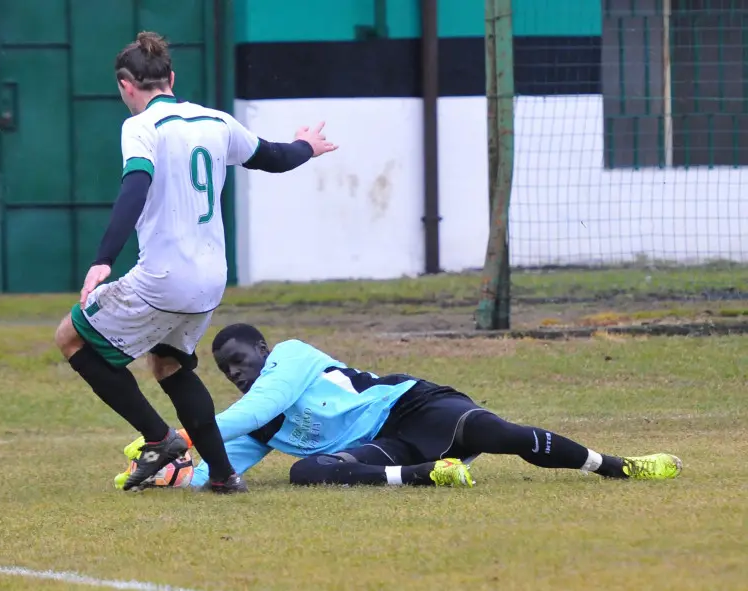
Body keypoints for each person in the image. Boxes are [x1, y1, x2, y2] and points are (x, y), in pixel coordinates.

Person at [53, 31, 337, 494]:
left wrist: (103, 259)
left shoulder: (141, 126)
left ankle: (160, 439)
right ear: (171, 77)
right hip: (209, 282)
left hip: (164, 279)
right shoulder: (216, 122)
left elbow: (135, 184)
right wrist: (306, 145)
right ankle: (224, 476)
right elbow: (276, 158)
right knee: (170, 364)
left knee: (70, 336)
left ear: (126, 86)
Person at [114, 323, 683, 490]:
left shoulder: (290, 357)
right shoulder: (256, 422)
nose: (239, 374)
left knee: (497, 434)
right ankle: (427, 475)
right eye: (228, 372)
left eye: (242, 360)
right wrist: (170, 473)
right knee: (307, 472)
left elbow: (234, 417)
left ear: (265, 349)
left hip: (409, 406)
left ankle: (617, 465)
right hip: (387, 447)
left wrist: (181, 436)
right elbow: (221, 467)